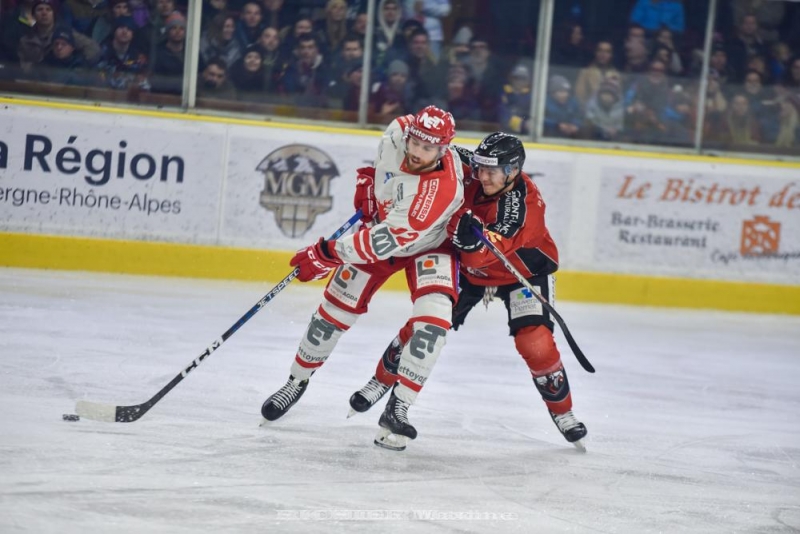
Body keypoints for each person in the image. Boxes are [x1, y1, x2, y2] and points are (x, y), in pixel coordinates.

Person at [348, 132, 589, 451]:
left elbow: (482, 254)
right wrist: (377, 183)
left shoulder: (523, 208)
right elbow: (430, 152)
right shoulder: (472, 168)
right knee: (426, 323)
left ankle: (564, 412)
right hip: (470, 273)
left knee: (536, 343)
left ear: (513, 171)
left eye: (492, 171)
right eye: (480, 167)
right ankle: (381, 380)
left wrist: (471, 242)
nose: (482, 176)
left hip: (522, 274)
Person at [261, 105, 465, 452]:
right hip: (383, 230)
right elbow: (384, 172)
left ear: (443, 149)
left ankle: (399, 406)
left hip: (429, 243)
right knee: (333, 311)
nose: (417, 152)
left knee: (433, 323)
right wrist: (371, 186)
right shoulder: (397, 130)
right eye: (416, 141)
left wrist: (324, 254)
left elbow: (375, 244)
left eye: (428, 148)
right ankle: (296, 381)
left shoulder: (436, 193)